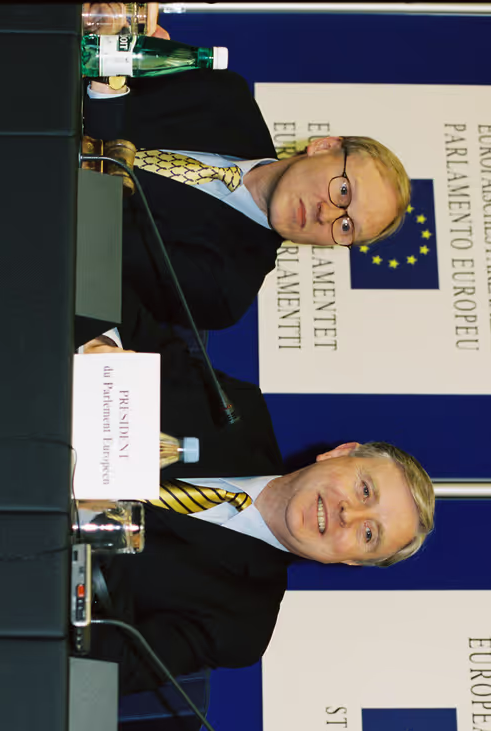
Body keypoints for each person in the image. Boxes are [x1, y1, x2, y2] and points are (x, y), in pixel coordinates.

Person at [82, 291, 434, 695]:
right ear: (339, 454)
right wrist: (102, 348)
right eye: (364, 490)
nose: (347, 515)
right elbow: (115, 303)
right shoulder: (235, 412)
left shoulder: (241, 624)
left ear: (351, 561)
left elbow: (103, 668)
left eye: (368, 535)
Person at [83, 69, 410, 329]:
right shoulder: (223, 97)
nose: (327, 216)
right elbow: (98, 67)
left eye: (346, 226)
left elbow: (95, 250)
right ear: (324, 146)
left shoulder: (224, 287)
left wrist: (105, 103)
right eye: (343, 191)